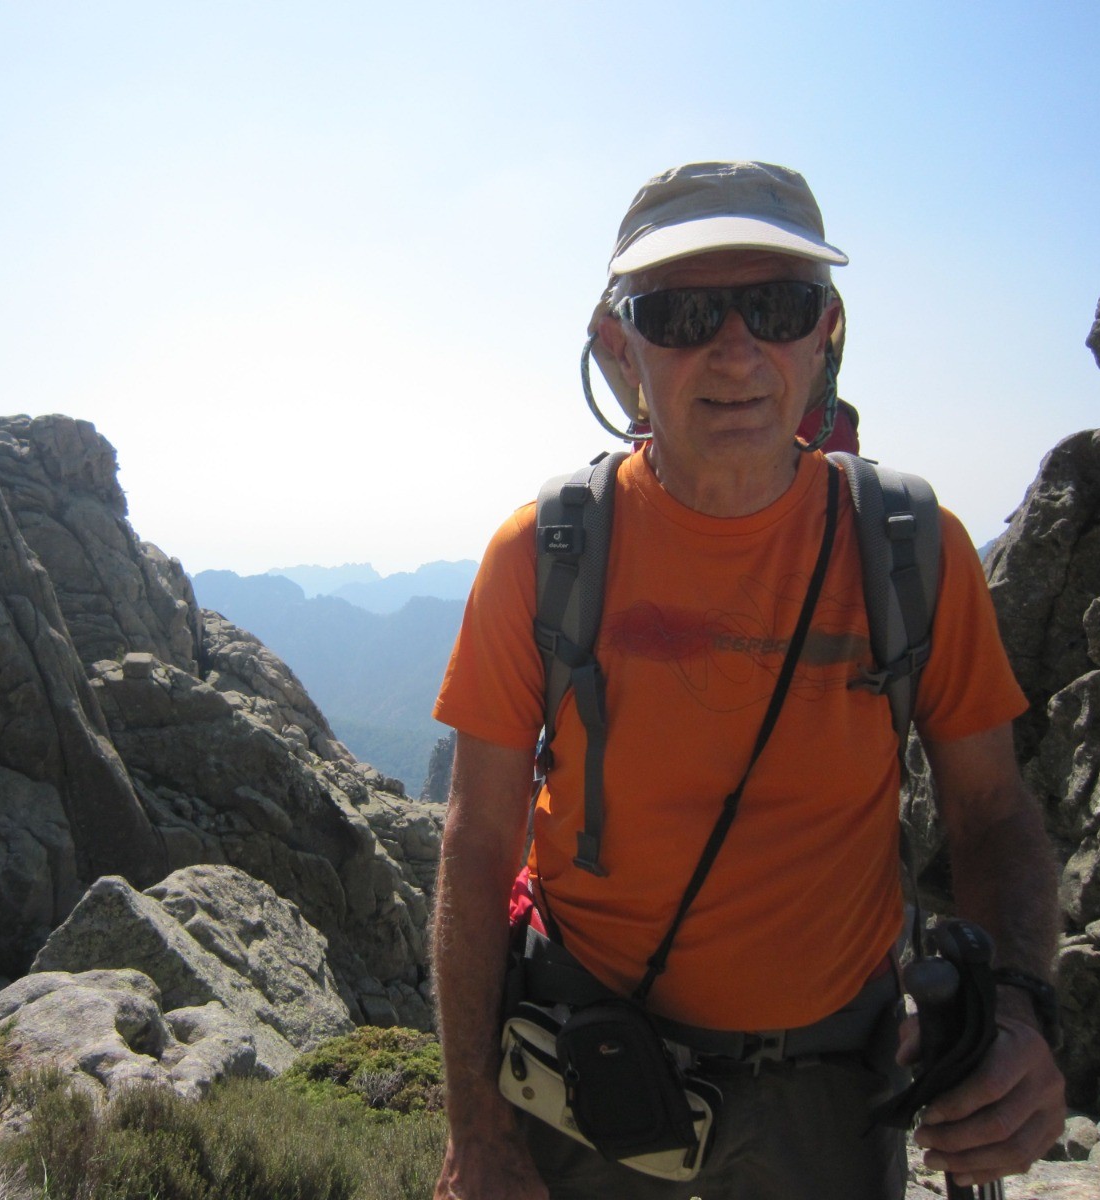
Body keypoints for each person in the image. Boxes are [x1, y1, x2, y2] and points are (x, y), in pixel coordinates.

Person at [429, 161, 1065, 1200]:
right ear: (621, 348)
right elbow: (478, 842)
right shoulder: (540, 557)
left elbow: (992, 815)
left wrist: (1022, 1010)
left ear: (825, 334)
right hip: (590, 1074)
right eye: (682, 315)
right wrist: (478, 1131)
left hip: (835, 1093)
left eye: (777, 307)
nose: (736, 351)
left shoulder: (913, 549)